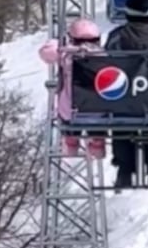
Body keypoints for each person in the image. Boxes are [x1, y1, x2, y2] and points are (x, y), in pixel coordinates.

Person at [104, 0, 148, 189]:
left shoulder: (116, 37)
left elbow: (108, 61)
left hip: (123, 95)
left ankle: (124, 168)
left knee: (121, 120)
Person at [38, 19, 106, 160]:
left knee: (66, 108)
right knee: (97, 114)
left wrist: (60, 44)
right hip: (100, 112)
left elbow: (45, 53)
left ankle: (71, 140)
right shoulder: (105, 56)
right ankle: (97, 142)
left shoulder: (66, 55)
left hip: (71, 112)